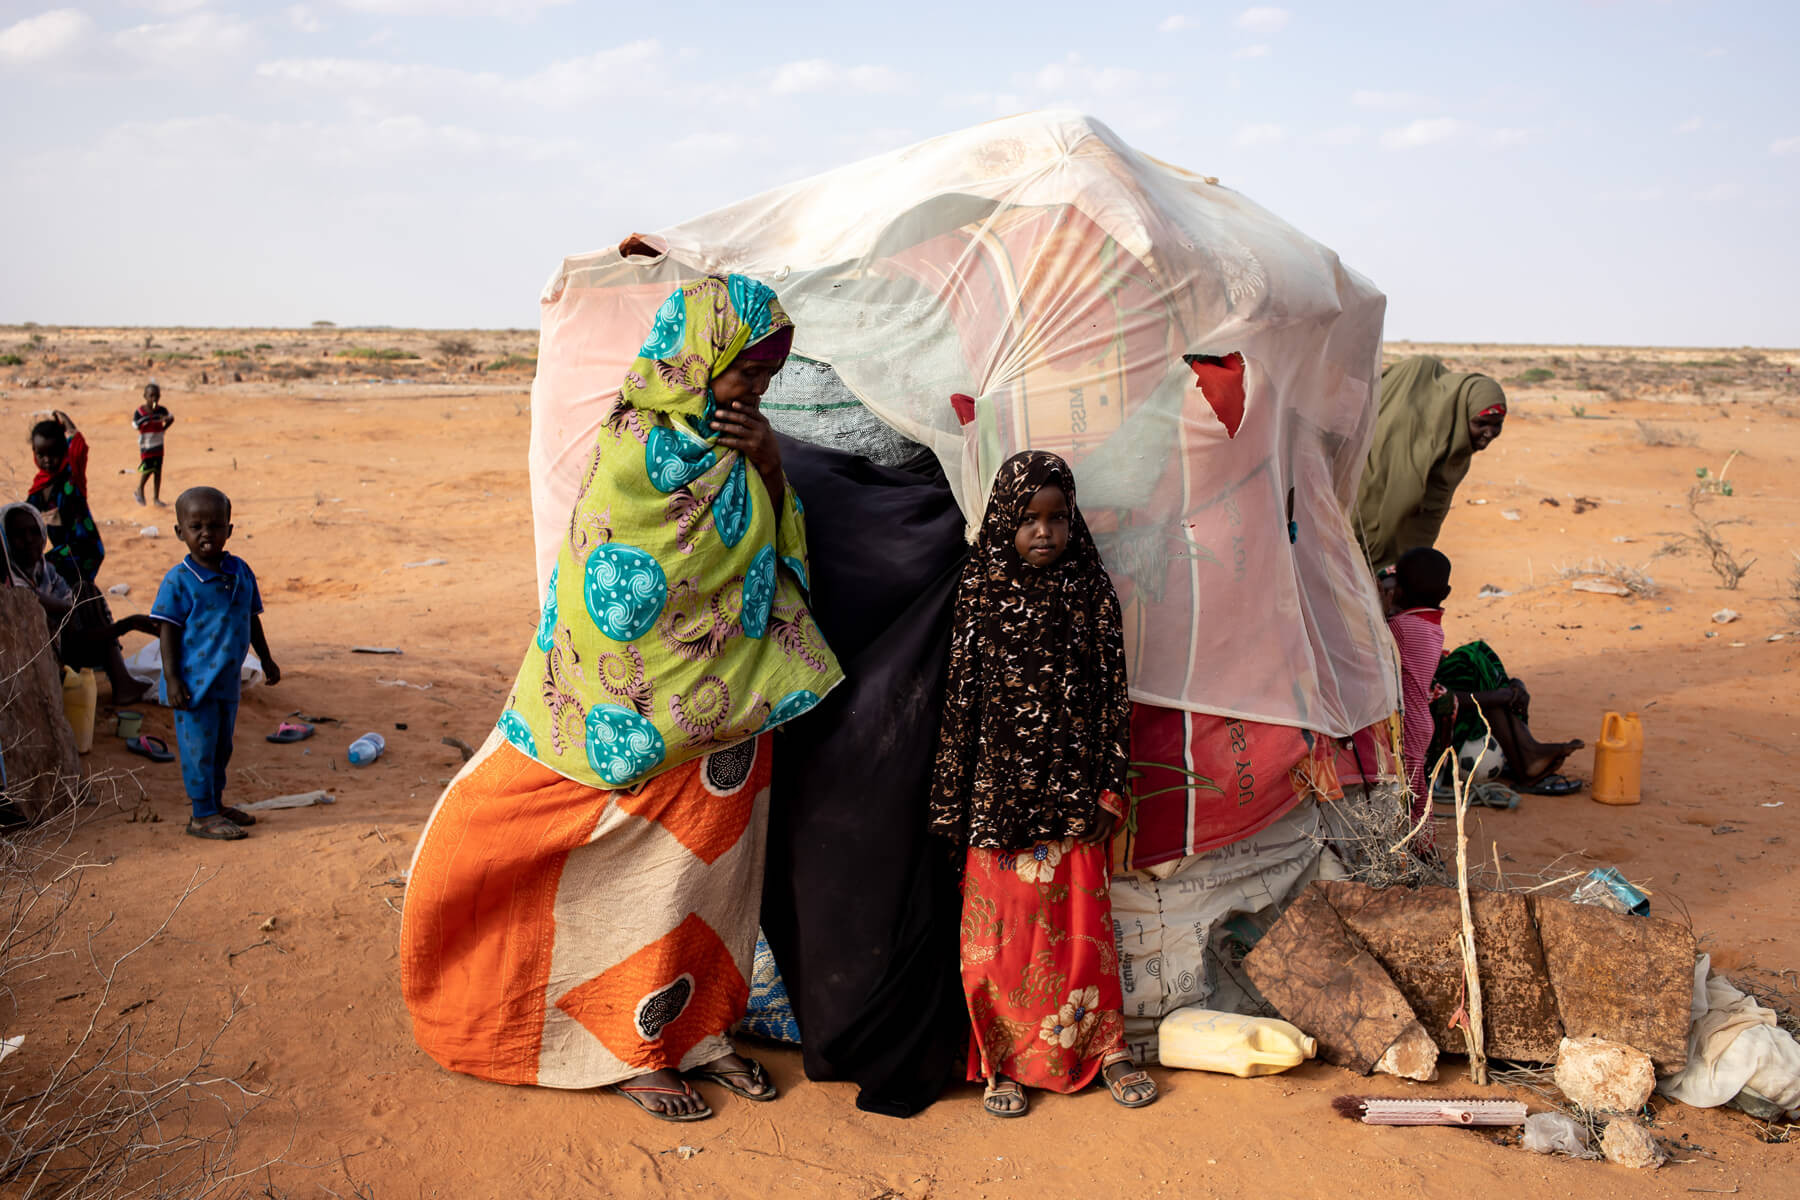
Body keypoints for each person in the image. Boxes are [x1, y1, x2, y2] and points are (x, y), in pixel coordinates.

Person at [400, 275, 843, 1122]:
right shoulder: (633, 447)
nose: (754, 390)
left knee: (707, 888)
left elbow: (774, 551)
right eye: (743, 371)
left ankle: (703, 1034)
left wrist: (770, 461)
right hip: (638, 723)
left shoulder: (745, 445)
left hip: (732, 717)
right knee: (632, 882)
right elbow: (609, 594)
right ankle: (630, 1050)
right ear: (696, 357)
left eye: (765, 376)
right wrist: (654, 705)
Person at [929, 450, 1156, 1118]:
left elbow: (1114, 695)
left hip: (1072, 798)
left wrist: (1111, 787)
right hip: (997, 799)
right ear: (1005, 518)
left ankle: (1105, 1049)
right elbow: (960, 699)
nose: (1045, 533)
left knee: (1081, 935)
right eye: (1029, 518)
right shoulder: (980, 585)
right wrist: (951, 804)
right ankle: (999, 1062)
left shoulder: (1089, 587)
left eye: (1058, 518)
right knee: (999, 940)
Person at [151, 487, 280, 841]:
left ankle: (215, 803)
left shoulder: (240, 571)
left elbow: (251, 618)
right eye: (196, 526)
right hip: (193, 686)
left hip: (226, 682)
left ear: (229, 529)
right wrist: (172, 679)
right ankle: (201, 814)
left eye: (215, 525)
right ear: (180, 532)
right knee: (199, 750)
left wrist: (266, 659)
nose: (206, 533)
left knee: (222, 746)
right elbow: (167, 632)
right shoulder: (179, 581)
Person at [1356, 355, 1507, 570]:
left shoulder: (1453, 444)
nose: (1489, 433)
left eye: (1497, 425)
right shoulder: (1413, 441)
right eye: (1481, 424)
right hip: (1365, 547)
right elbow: (1393, 509)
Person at [3, 503, 156, 702]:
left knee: (85, 590)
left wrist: (125, 625)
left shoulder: (46, 572)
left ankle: (122, 681)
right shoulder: (9, 582)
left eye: (34, 531)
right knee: (83, 601)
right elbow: (55, 609)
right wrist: (126, 625)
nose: (28, 539)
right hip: (38, 661)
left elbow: (73, 628)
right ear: (6, 541)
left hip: (69, 648)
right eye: (18, 534)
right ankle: (122, 681)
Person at [1431, 638, 1584, 797]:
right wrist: (1502, 695)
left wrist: (1515, 686)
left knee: (1478, 653)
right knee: (1468, 659)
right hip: (1438, 739)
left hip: (1449, 706)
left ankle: (1527, 752)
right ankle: (1526, 758)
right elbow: (1433, 698)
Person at [1381, 549, 1451, 833]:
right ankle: (1424, 845)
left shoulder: (1401, 627)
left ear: (1397, 592)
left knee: (1408, 793)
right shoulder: (1429, 625)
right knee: (1417, 790)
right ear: (1446, 592)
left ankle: (1416, 847)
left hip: (1408, 724)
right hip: (1420, 721)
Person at [28, 412, 104, 588]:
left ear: (64, 451)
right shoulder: (38, 489)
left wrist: (66, 422)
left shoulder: (71, 475)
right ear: (34, 453)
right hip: (65, 551)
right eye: (41, 454)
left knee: (44, 571)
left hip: (85, 549)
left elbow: (78, 445)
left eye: (53, 454)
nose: (47, 460)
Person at [132, 382, 175, 507]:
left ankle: (156, 498)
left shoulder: (161, 410)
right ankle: (140, 488)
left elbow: (171, 418)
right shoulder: (140, 412)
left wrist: (164, 427)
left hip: (158, 443)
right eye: (151, 396)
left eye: (156, 396)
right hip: (146, 444)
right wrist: (149, 419)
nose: (154, 399)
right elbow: (135, 425)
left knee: (158, 470)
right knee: (148, 467)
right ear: (145, 396)